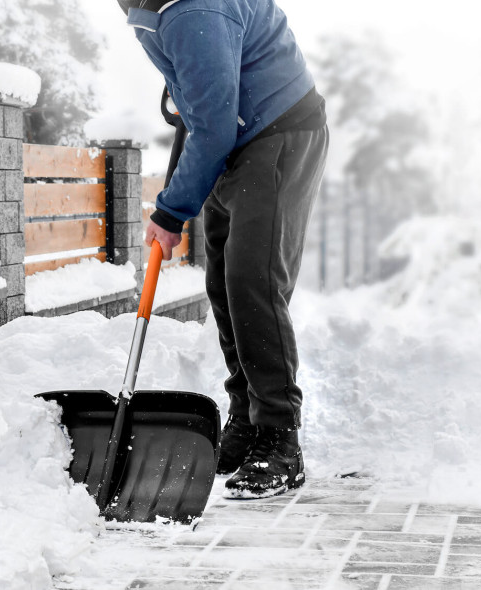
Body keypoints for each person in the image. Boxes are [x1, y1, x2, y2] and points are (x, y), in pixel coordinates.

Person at [119, 0, 329, 499]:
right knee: (222, 286)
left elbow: (212, 121)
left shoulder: (196, 10)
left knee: (252, 282)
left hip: (277, 134)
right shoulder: (149, 7)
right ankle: (248, 418)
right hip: (234, 134)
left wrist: (171, 213)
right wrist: (174, 200)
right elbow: (198, 112)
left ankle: (280, 438)